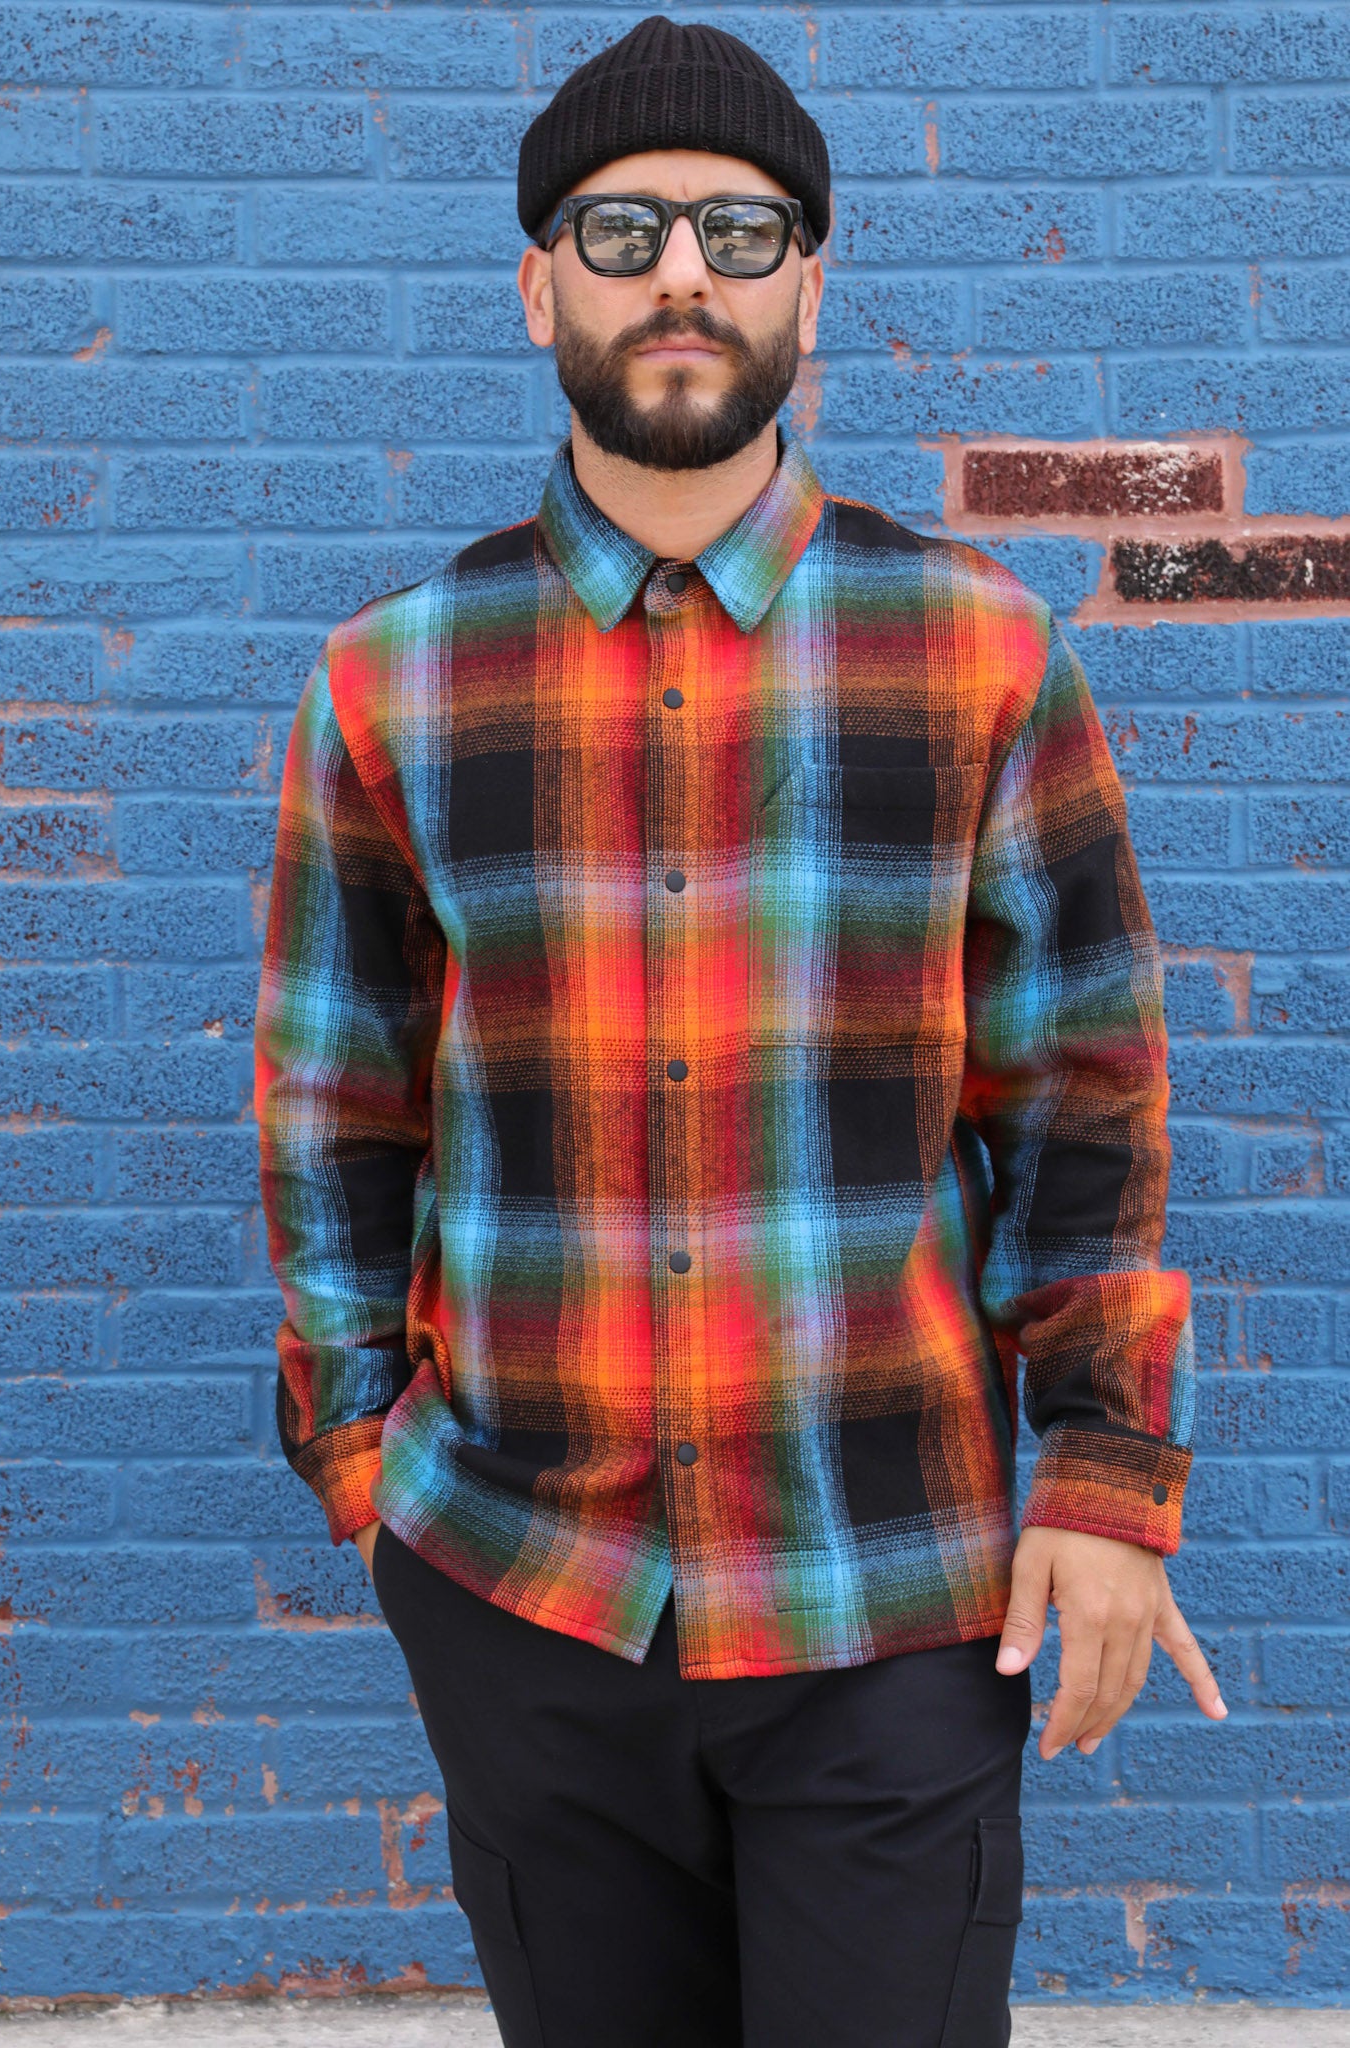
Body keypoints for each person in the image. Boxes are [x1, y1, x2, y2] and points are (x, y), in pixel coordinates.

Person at [253, 18, 1226, 2045]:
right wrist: (365, 1469)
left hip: (890, 1583)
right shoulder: (390, 687)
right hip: (526, 1581)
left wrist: (1106, 1476)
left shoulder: (979, 653)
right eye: (617, 231)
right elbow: (338, 1115)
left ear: (807, 277)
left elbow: (1085, 1102)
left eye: (733, 226)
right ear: (537, 288)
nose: (676, 272)